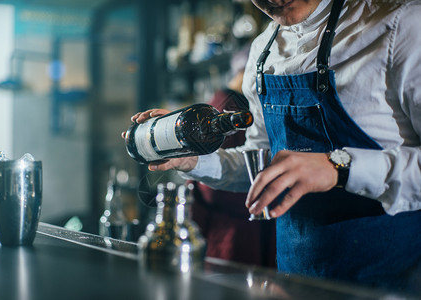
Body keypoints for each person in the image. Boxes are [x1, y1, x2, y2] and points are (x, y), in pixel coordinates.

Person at [125, 0, 421, 292]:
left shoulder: (400, 24)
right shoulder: (262, 51)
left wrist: (339, 168)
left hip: (392, 282)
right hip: (296, 281)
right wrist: (193, 161)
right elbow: (261, 165)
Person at [190, 44, 276, 267]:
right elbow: (212, 191)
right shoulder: (230, 106)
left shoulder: (226, 102)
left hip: (234, 231)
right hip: (236, 236)